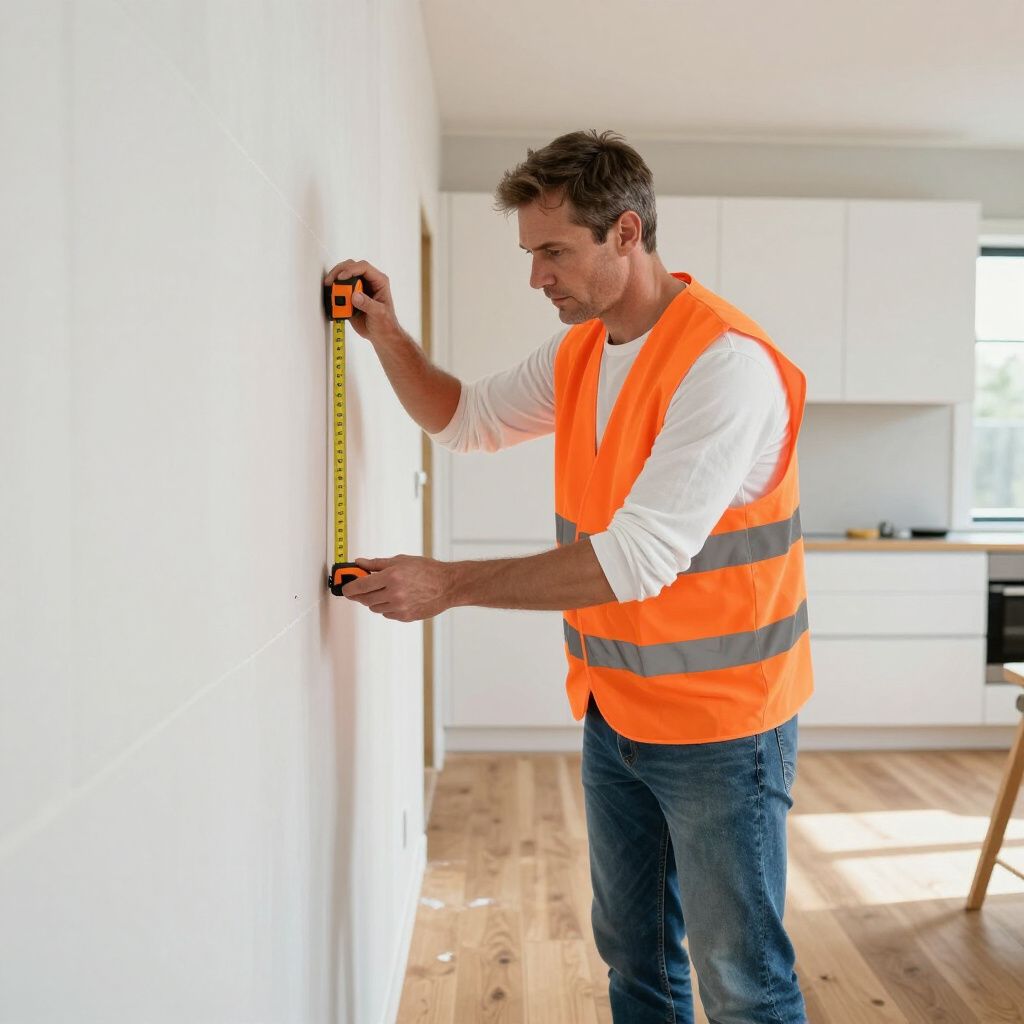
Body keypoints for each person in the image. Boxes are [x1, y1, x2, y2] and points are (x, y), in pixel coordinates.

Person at [324, 129, 812, 1024]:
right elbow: (466, 419)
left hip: (722, 729)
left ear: (626, 234)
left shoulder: (724, 366)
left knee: (742, 982)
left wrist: (450, 585)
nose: (537, 276)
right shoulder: (584, 351)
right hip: (614, 709)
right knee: (635, 961)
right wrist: (385, 334)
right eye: (531, 253)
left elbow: (636, 557)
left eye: (553, 251)